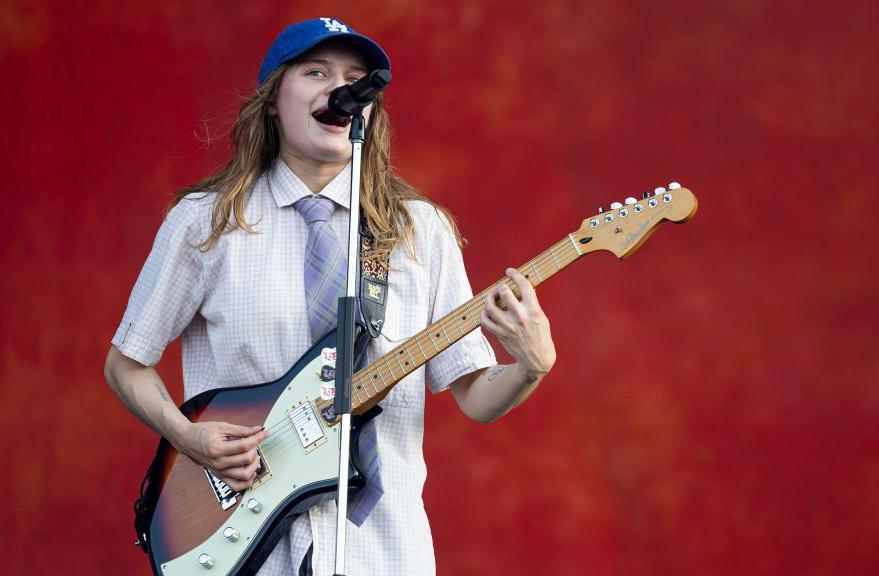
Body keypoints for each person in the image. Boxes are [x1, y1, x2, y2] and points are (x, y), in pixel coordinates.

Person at [103, 17, 556, 576]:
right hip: (240, 541)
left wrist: (530, 367)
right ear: (272, 101)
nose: (340, 89)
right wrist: (187, 435)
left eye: (355, 77)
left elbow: (475, 394)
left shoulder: (419, 231)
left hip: (384, 550)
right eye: (316, 72)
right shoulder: (207, 222)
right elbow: (127, 363)